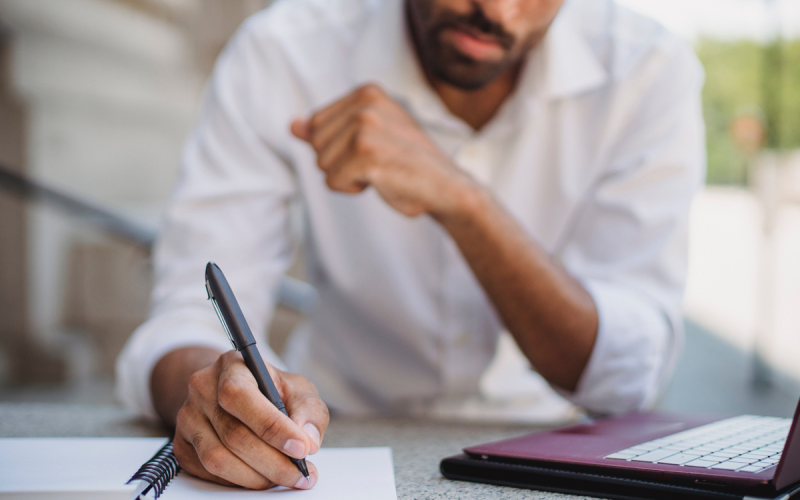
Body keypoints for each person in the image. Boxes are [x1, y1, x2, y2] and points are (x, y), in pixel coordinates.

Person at [117, 0, 705, 492]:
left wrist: (463, 201)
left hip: (550, 448)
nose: (496, 11)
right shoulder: (284, 49)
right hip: (336, 436)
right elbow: (185, 319)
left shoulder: (647, 69)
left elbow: (626, 377)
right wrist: (216, 396)